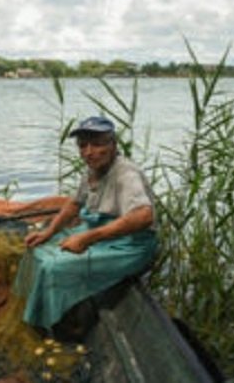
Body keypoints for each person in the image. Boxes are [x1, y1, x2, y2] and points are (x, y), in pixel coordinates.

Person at [17, 115, 158, 334]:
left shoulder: (126, 174)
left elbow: (143, 216)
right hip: (102, 234)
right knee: (37, 249)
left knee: (53, 267)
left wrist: (85, 239)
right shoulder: (92, 169)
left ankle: (57, 327)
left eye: (98, 144)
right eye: (83, 145)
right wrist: (48, 231)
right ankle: (41, 309)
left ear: (113, 145)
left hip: (131, 246)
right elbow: (74, 203)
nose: (89, 152)